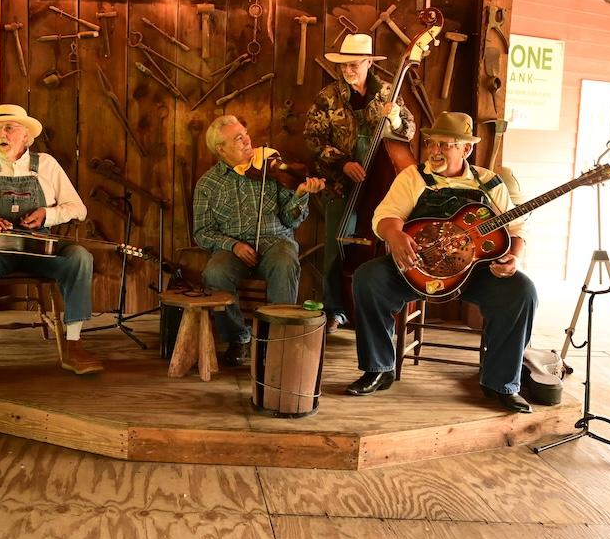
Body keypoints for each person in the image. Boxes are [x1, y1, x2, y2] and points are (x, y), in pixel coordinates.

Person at [346, 112, 537, 413]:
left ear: (466, 149)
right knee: (368, 277)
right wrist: (394, 236)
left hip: (475, 272)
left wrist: (515, 256)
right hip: (415, 266)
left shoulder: (489, 183)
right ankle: (378, 368)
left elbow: (517, 228)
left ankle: (501, 383)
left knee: (521, 291)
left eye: (445, 145)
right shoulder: (413, 178)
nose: (435, 151)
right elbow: (385, 216)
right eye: (432, 144)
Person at [0, 104, 102, 384]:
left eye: (9, 128)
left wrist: (48, 214)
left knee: (80, 257)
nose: (1, 134)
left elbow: (78, 208)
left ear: (27, 137)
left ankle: (74, 345)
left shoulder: (47, 165)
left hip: (40, 249)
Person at [304, 33, 416, 334]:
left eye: (354, 64)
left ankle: (374, 309)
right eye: (344, 66)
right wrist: (343, 162)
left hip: (380, 185)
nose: (348, 70)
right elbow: (314, 138)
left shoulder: (388, 94)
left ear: (369, 62)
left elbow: (408, 131)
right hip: (341, 184)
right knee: (335, 248)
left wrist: (392, 121)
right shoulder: (327, 96)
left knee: (375, 247)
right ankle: (335, 310)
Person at [193, 115, 325, 366]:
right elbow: (202, 232)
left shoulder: (270, 167)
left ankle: (277, 340)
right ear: (221, 149)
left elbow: (290, 220)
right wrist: (233, 245)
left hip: (275, 241)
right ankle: (238, 338)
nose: (247, 140)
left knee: (285, 261)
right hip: (233, 247)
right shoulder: (208, 184)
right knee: (215, 272)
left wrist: (299, 195)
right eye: (237, 138)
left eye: (245, 133)